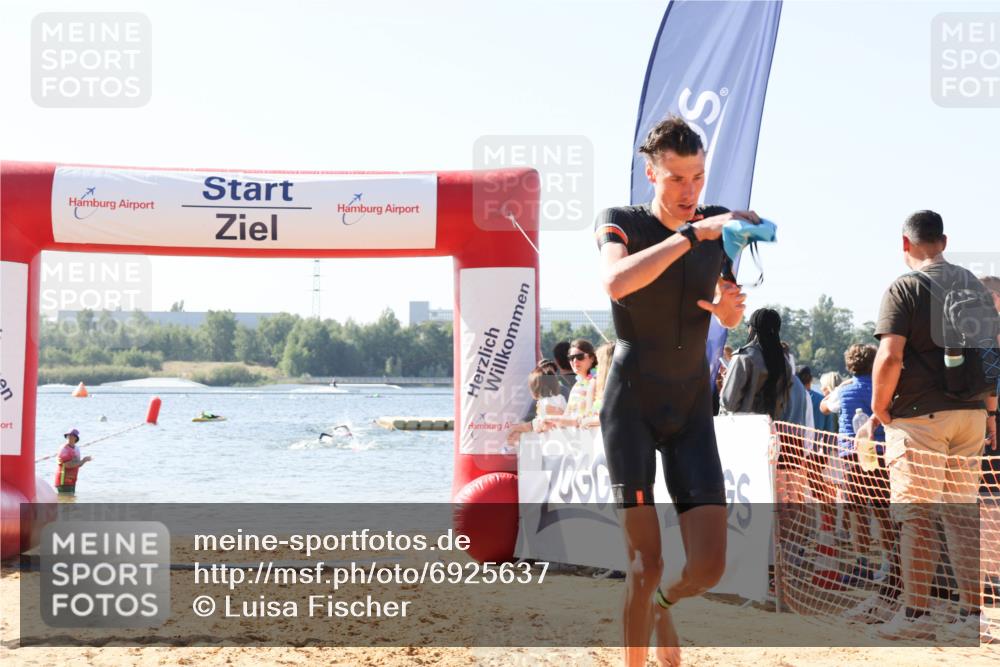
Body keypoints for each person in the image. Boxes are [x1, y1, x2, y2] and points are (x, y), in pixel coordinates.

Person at [595, 115, 750, 667]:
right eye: (677, 179)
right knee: (646, 563)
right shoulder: (623, 222)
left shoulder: (716, 227)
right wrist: (688, 237)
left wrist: (730, 311)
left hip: (690, 410)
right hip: (631, 404)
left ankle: (664, 606)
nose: (690, 192)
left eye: (698, 178)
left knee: (708, 568)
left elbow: (727, 304)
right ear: (651, 174)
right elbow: (616, 283)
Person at [861, 210, 998, 641]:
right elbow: (989, 356)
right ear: (944, 240)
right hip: (971, 414)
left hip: (919, 417)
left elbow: (889, 357)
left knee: (916, 519)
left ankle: (916, 618)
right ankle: (968, 619)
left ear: (906, 244)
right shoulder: (973, 286)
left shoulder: (904, 287)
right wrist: (991, 412)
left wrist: (879, 410)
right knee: (960, 517)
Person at [719, 308, 792, 419]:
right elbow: (784, 403)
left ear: (752, 329)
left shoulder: (743, 357)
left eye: (748, 326)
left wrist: (727, 381)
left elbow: (729, 403)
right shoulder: (785, 363)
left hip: (741, 430)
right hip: (770, 430)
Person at [541, 339, 599, 429]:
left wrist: (552, 419)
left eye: (579, 357)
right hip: (576, 439)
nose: (575, 361)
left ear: (592, 358)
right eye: (571, 358)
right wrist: (550, 423)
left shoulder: (598, 381)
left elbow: (592, 416)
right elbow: (566, 415)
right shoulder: (577, 385)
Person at [505, 364, 567, 446]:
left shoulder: (546, 403)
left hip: (555, 447)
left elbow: (535, 425)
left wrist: (515, 428)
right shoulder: (559, 398)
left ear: (535, 390)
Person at [581, 341, 616, 428]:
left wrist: (588, 421)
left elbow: (614, 416)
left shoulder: (620, 386)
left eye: (598, 360)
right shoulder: (595, 383)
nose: (596, 365)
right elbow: (588, 413)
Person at [54, 429, 91, 495]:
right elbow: (66, 465)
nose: (69, 437)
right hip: (63, 480)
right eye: (68, 435)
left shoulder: (77, 449)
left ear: (75, 438)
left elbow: (78, 464)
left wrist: (84, 460)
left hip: (72, 480)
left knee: (71, 501)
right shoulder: (64, 448)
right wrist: (82, 461)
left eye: (71, 435)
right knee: (65, 502)